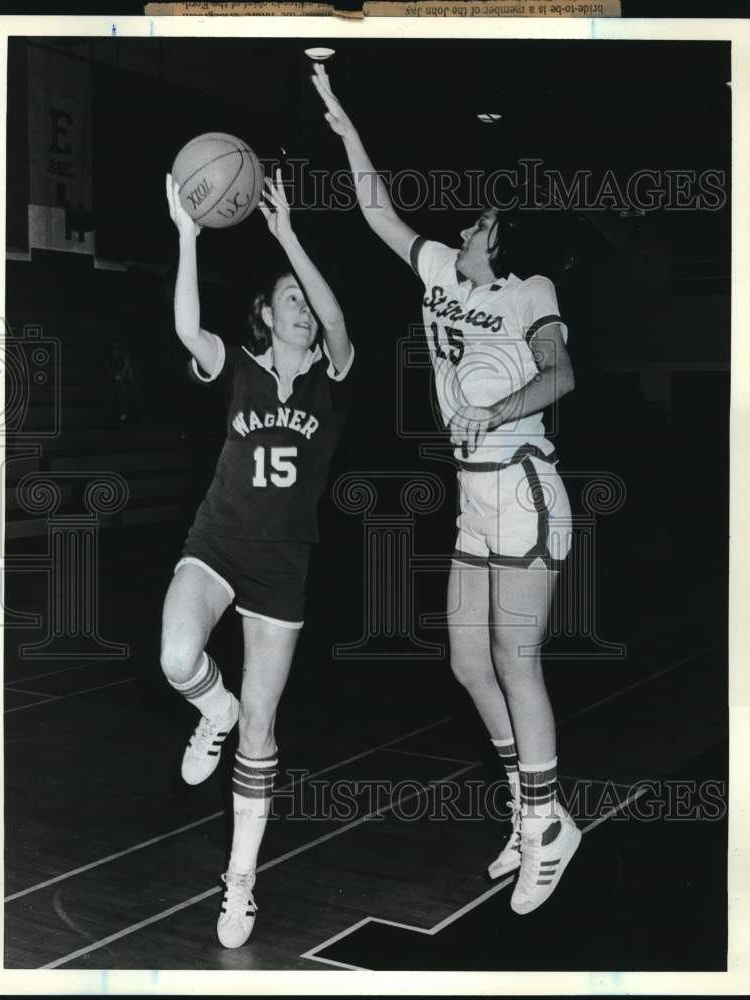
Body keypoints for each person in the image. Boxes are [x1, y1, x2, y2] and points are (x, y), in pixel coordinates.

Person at [312, 63, 580, 916]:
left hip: (522, 486)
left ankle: (547, 830)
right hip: (474, 496)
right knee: (467, 660)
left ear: (498, 238)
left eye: (484, 220)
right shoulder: (436, 271)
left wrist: (494, 409)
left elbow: (561, 374)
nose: (469, 223)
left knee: (514, 657)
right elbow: (376, 208)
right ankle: (530, 808)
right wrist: (342, 122)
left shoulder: (528, 292)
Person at [160, 169, 353, 947]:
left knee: (263, 734)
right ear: (265, 316)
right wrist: (186, 235)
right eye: (290, 302)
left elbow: (337, 315)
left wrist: (288, 237)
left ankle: (239, 883)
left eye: (306, 302)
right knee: (178, 658)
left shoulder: (332, 381)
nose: (304, 311)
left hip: (282, 566)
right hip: (217, 543)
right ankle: (213, 706)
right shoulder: (236, 366)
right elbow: (184, 328)